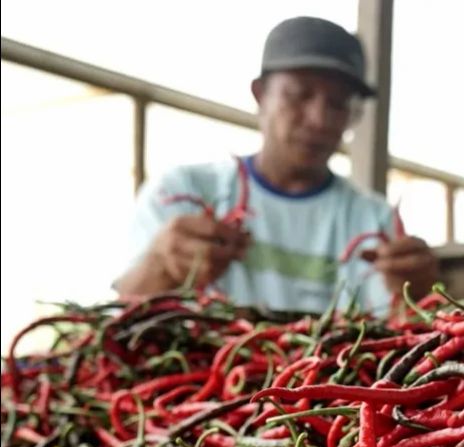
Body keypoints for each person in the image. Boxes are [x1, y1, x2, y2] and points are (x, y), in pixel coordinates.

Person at [114, 16, 438, 316]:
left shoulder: (373, 220)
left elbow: (394, 338)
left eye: (338, 104)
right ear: (260, 94)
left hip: (321, 379)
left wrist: (414, 295)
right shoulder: (181, 193)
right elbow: (117, 325)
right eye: (299, 95)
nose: (319, 120)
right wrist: (160, 266)